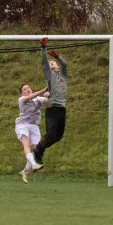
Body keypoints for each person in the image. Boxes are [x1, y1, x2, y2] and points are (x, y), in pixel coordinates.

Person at [33, 37, 68, 166]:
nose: (51, 63)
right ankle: (38, 150)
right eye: (50, 62)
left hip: (62, 108)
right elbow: (43, 62)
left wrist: (58, 56)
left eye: (53, 62)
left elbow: (64, 64)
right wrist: (43, 48)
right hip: (52, 108)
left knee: (58, 136)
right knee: (50, 134)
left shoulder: (63, 74)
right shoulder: (49, 75)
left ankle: (39, 149)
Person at [16, 84, 49, 183]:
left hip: (34, 126)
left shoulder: (38, 99)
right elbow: (31, 96)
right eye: (24, 89)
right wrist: (43, 90)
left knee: (37, 150)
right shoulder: (21, 99)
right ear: (22, 93)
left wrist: (49, 95)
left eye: (28, 88)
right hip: (22, 124)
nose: (27, 90)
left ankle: (25, 172)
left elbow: (48, 101)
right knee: (26, 145)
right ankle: (34, 164)